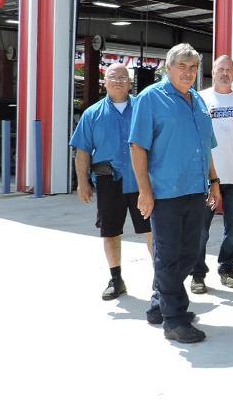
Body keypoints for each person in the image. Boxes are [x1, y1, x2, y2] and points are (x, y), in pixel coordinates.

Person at [129, 44, 220, 343]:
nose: (188, 72)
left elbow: (206, 147)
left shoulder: (198, 100)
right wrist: (145, 191)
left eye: (193, 67)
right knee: (168, 256)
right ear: (168, 68)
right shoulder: (150, 99)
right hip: (165, 192)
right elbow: (138, 146)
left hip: (195, 189)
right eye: (182, 65)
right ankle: (174, 319)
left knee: (190, 253)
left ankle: (159, 303)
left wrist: (214, 181)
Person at [70, 63, 152, 301]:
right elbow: (83, 150)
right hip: (109, 181)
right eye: (113, 77)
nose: (118, 80)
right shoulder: (92, 114)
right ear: (105, 82)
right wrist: (82, 182)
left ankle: (161, 281)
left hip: (141, 181)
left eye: (123, 77)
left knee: (152, 231)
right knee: (110, 232)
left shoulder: (142, 108)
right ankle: (116, 279)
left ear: (130, 82)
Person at [190, 55, 233, 293]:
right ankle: (197, 274)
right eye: (221, 69)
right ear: (212, 72)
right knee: (200, 230)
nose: (225, 73)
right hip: (207, 177)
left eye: (229, 69)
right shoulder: (201, 98)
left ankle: (226, 267)